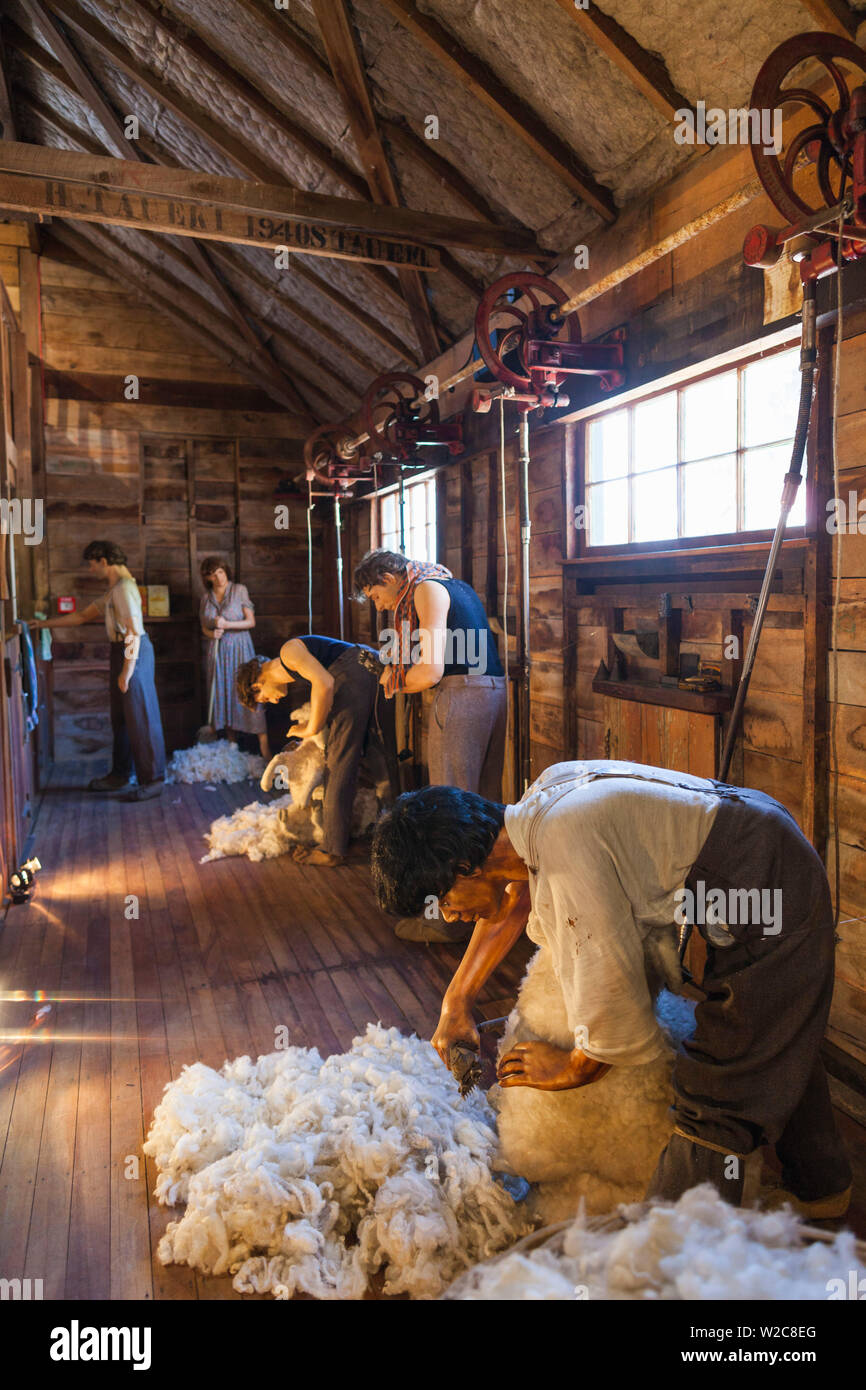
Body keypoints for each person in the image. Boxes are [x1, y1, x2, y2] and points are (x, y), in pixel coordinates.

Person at [369, 761, 853, 1217]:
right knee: (779, 1022)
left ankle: (666, 1248)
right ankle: (822, 1185)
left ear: (464, 867)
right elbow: (516, 892)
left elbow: (608, 990)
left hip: (768, 884)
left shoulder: (566, 850)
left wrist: (572, 1067)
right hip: (757, 847)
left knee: (717, 1090)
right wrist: (458, 1000)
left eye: (444, 902)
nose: (449, 915)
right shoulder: (537, 809)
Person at [354, 547, 506, 942]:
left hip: (460, 696)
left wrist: (394, 681)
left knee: (451, 808)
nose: (380, 606)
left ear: (387, 579)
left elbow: (432, 670)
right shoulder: (454, 585)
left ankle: (447, 920)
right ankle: (487, 909)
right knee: (483, 804)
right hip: (491, 691)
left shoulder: (424, 591)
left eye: (374, 596)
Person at [236, 633, 393, 867]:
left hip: (354, 673)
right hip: (372, 669)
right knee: (382, 759)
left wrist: (311, 728)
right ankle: (394, 837)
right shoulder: (294, 662)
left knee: (338, 763)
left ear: (256, 685)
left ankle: (332, 850)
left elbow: (325, 682)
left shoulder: (288, 652)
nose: (274, 701)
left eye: (265, 699)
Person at [32, 540, 166, 800]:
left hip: (133, 653)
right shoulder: (114, 589)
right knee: (122, 719)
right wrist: (41, 624)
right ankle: (120, 775)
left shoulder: (125, 588)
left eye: (92, 565)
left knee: (142, 716)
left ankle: (154, 780)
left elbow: (133, 634)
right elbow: (82, 616)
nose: (91, 570)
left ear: (104, 561)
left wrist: (127, 672)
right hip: (122, 652)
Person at [199, 558, 269, 760]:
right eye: (212, 574)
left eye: (220, 572)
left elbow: (250, 621)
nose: (217, 577)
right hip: (218, 653)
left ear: (226, 571)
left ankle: (265, 750)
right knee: (224, 692)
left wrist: (227, 624)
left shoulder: (239, 590)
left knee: (248, 690)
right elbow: (204, 626)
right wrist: (211, 634)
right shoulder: (206, 598)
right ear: (207, 578)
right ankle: (232, 745)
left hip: (240, 650)